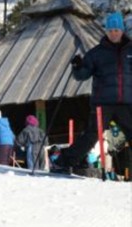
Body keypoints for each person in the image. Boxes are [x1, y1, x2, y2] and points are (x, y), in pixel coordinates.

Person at [54, 12, 132, 172]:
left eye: (117, 30)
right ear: (106, 31)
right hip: (103, 103)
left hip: (127, 103)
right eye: (111, 30)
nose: (114, 33)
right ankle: (63, 162)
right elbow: (81, 75)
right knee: (92, 135)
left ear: (122, 30)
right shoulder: (97, 53)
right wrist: (77, 67)